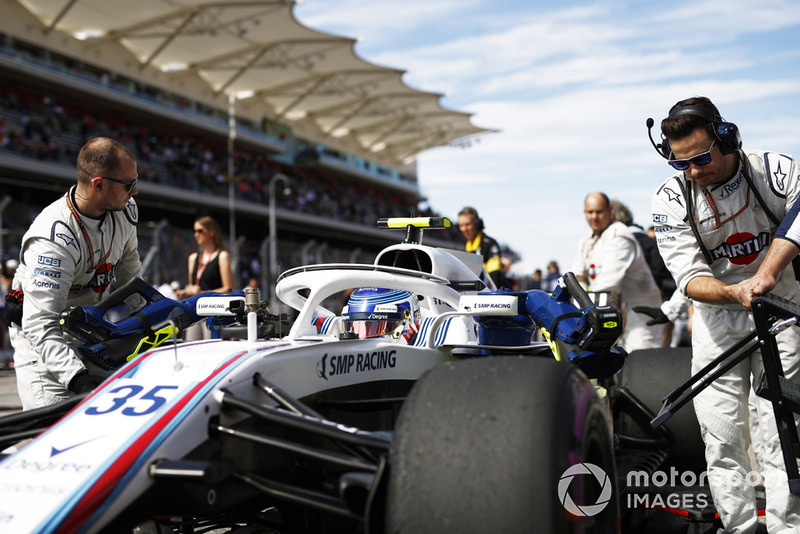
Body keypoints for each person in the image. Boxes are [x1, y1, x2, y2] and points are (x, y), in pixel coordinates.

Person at [649, 96, 800, 533]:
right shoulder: (670, 198)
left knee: (780, 434)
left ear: (726, 137)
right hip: (717, 321)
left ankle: (786, 529)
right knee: (722, 438)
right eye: (682, 163)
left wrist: (767, 274)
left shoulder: (773, 170)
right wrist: (736, 293)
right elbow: (688, 276)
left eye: (701, 157)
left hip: (783, 310)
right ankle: (737, 529)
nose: (695, 171)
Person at [6, 137, 142, 409]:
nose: (135, 192)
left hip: (89, 335)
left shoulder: (125, 211)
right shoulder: (53, 239)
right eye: (129, 184)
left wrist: (159, 323)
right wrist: (78, 379)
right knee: (53, 439)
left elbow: (132, 281)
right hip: (44, 347)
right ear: (99, 184)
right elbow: (39, 325)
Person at [571, 191, 662, 351]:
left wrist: (583, 301)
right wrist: (582, 293)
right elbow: (577, 275)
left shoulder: (620, 235)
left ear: (609, 210)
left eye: (599, 212)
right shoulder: (586, 239)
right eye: (590, 212)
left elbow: (606, 285)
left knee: (639, 361)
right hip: (610, 311)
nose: (594, 217)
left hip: (641, 314)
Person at [175, 216, 234, 340]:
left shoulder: (222, 256)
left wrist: (201, 293)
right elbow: (193, 286)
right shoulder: (193, 258)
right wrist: (185, 293)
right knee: (192, 349)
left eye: (200, 231)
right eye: (194, 231)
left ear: (212, 232)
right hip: (195, 311)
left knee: (211, 349)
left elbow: (229, 289)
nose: (196, 234)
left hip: (214, 312)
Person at [457, 206, 505, 288]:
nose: (464, 229)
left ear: (477, 223)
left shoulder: (490, 244)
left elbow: (494, 277)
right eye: (461, 225)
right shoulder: (465, 247)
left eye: (467, 224)